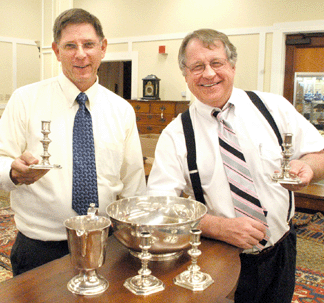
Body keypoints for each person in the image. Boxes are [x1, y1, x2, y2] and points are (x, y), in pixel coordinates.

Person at [146, 29, 324, 303]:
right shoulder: (175, 134)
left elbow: (318, 152)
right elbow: (161, 207)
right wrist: (216, 226)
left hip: (281, 252)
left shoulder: (273, 107)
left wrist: (309, 167)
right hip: (219, 258)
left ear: (232, 65)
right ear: (185, 74)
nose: (208, 74)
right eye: (197, 66)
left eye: (216, 63)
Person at [0, 8, 146, 276]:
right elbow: (1, 158)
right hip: (40, 250)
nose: (81, 54)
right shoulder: (25, 100)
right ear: (56, 51)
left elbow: (134, 184)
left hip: (107, 245)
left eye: (89, 44)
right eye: (70, 46)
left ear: (102, 48)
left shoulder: (122, 110)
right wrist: (12, 171)